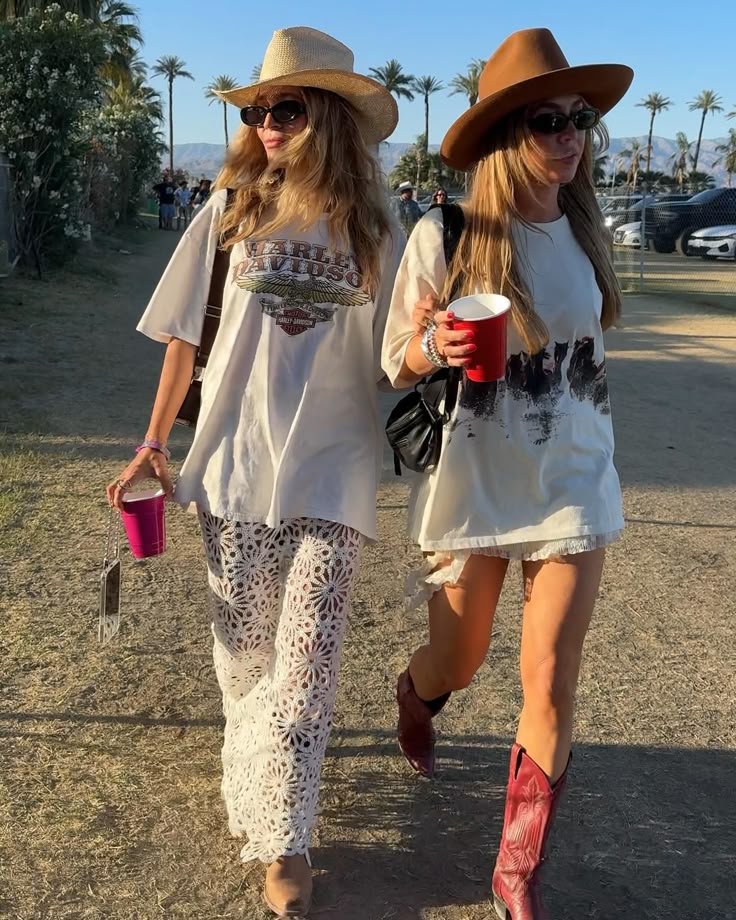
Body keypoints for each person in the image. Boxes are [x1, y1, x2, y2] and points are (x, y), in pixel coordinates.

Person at [106, 27, 401, 918]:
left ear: (335, 119)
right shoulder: (230, 205)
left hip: (335, 467)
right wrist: (154, 443)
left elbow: (398, 353)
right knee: (246, 661)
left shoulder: (382, 225)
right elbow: (185, 340)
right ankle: (259, 776)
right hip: (233, 463)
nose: (268, 125)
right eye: (260, 111)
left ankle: (285, 841)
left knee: (305, 665)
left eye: (288, 109)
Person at [382, 28, 633, 919]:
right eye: (547, 121)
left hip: (574, 476)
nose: (569, 137)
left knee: (551, 679)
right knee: (461, 657)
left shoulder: (585, 226)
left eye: (580, 120)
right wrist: (430, 341)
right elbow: (394, 362)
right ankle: (418, 693)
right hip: (477, 479)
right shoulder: (445, 232)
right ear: (503, 136)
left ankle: (515, 869)